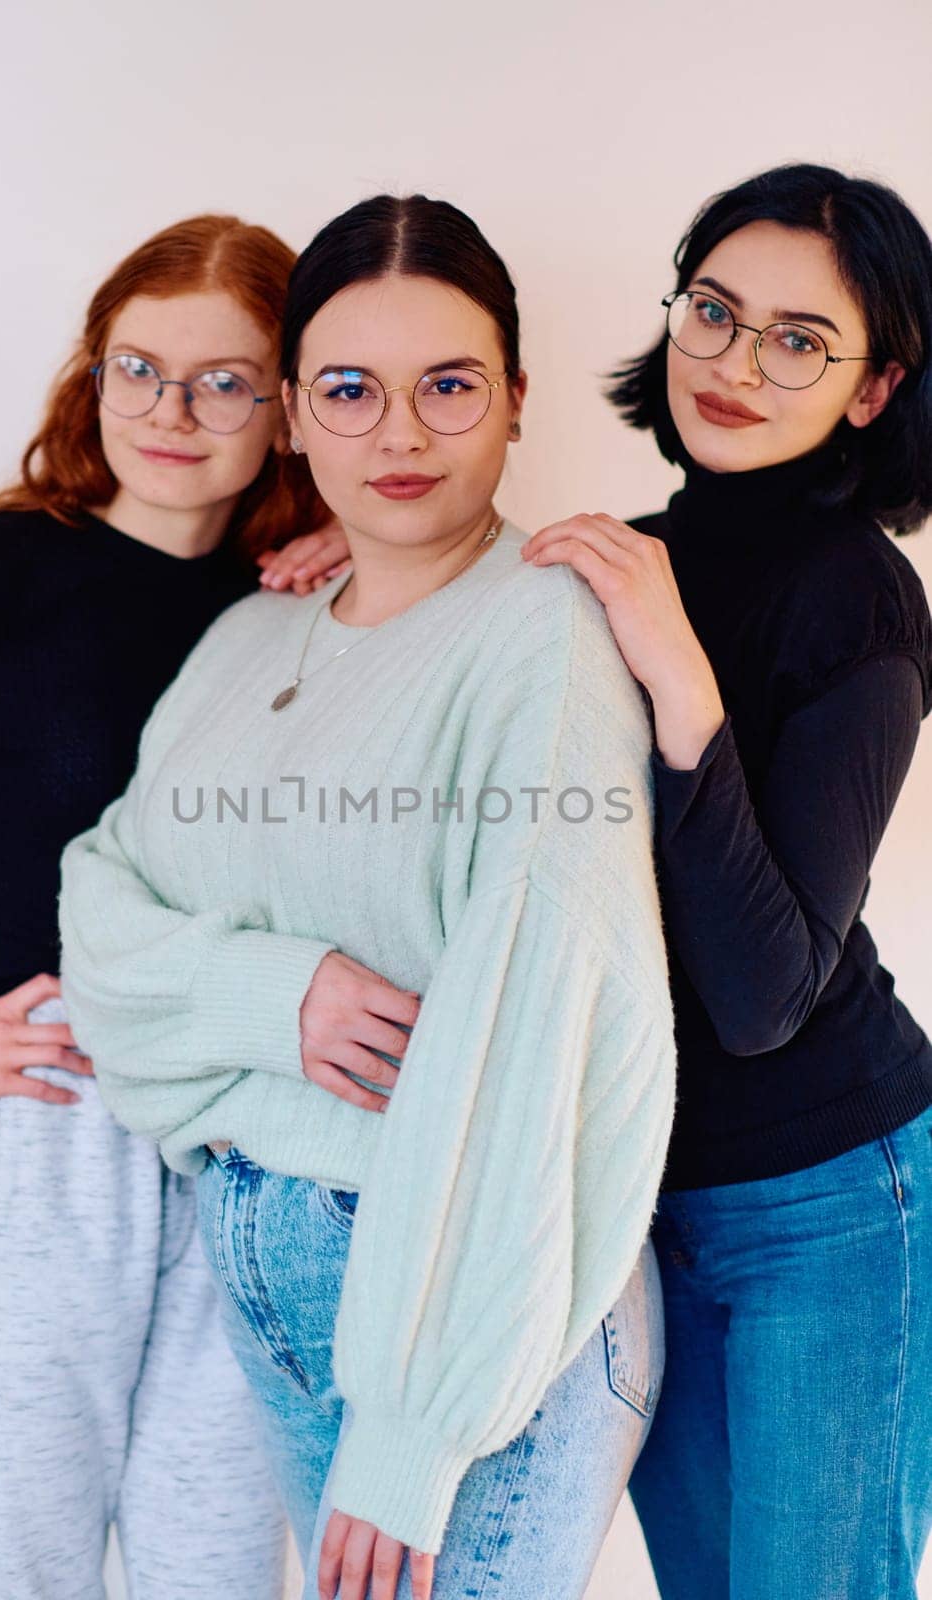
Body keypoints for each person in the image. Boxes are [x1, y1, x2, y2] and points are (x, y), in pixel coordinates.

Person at [57, 194, 677, 1600]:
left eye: (448, 386)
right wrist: (267, 997)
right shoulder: (248, 636)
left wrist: (415, 1428)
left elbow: (533, 1028)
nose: (398, 435)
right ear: (291, 414)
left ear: (516, 402)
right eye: (351, 391)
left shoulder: (546, 629)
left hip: (460, 1325)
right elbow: (100, 907)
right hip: (280, 1290)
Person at [0, 211, 351, 1599]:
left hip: (250, 1129)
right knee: (25, 1575)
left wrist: (372, 563)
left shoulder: (318, 593)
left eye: (225, 381)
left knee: (219, 1572)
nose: (172, 413)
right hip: (47, 1131)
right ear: (93, 370)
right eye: (138, 368)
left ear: (290, 406)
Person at [517, 163, 932, 1600]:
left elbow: (764, 993)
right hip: (646, 1202)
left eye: (800, 341)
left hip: (832, 1198)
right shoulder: (633, 561)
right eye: (715, 311)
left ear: (873, 390)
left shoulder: (861, 596)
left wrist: (684, 685)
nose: (738, 365)